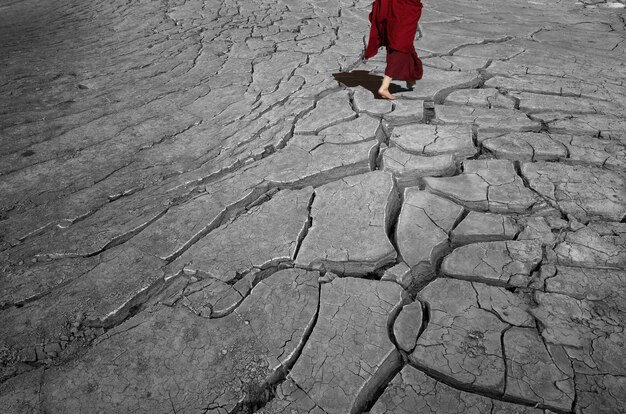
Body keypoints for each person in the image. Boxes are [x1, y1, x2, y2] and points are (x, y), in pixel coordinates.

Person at [365, 0, 424, 100]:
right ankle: (384, 86)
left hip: (394, 7)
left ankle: (410, 76)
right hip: (402, 9)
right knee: (400, 44)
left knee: (402, 40)